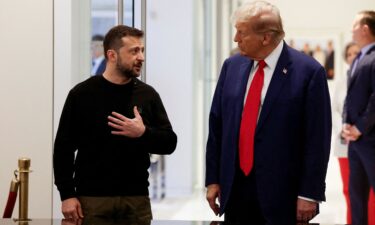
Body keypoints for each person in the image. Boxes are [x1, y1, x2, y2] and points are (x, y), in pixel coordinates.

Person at [205, 1, 331, 224]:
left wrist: (309, 193)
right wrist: (213, 179)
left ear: (266, 37)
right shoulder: (231, 66)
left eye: (241, 32)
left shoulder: (309, 73)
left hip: (283, 193)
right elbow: (217, 126)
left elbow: (317, 139)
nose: (236, 39)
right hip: (234, 188)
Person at [53, 25, 177, 224]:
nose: (141, 57)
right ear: (112, 55)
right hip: (92, 200)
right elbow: (63, 148)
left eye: (142, 50)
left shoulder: (148, 95)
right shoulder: (82, 94)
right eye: (134, 51)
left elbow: (170, 142)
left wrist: (143, 133)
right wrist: (67, 195)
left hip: (136, 200)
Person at [333, 42, 375, 225]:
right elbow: (336, 109)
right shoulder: (343, 80)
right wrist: (344, 129)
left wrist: (358, 130)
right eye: (349, 53)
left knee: (370, 193)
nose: (352, 56)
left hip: (366, 141)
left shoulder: (370, 75)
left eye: (356, 52)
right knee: (350, 191)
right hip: (345, 143)